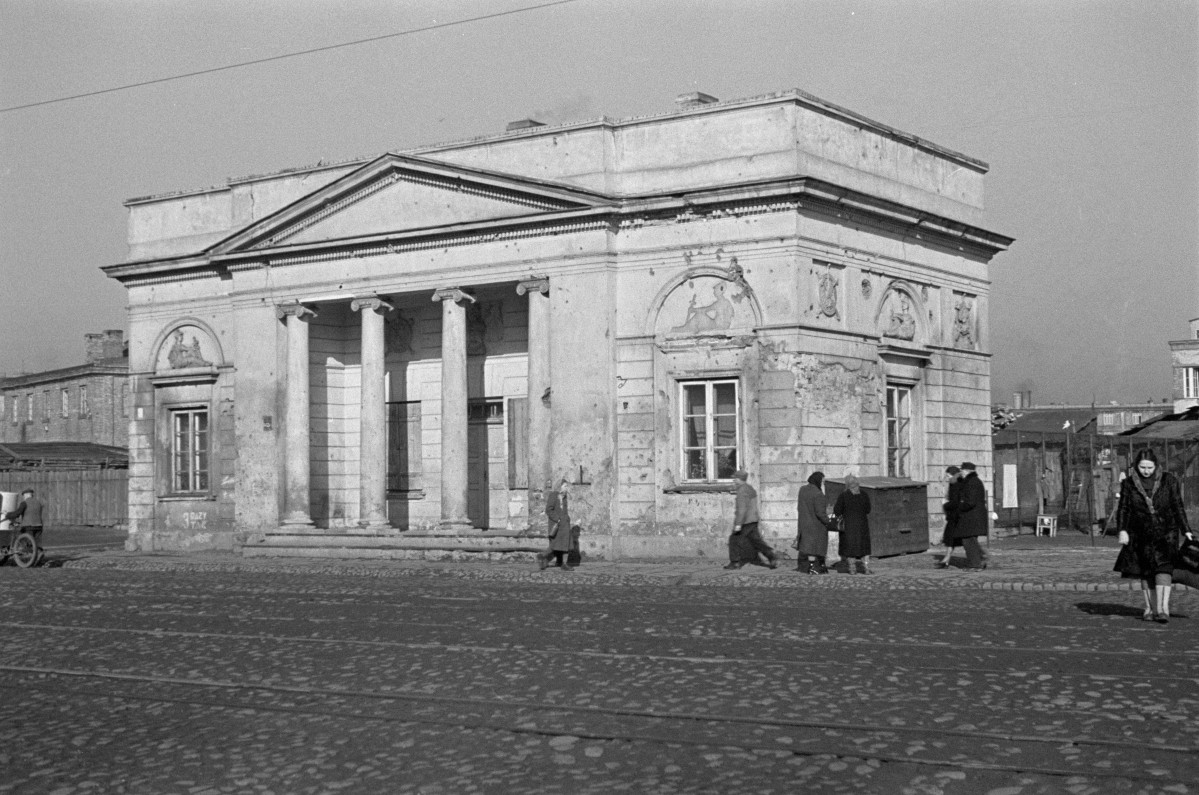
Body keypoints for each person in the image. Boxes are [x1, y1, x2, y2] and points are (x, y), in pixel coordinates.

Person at [1113, 449, 1194, 623]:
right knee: (1146, 571)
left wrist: (1186, 529)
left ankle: (1163, 610)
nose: (1146, 471)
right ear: (1136, 466)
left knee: (1164, 569)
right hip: (1140, 533)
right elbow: (1124, 508)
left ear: (1156, 466)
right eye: (1142, 467)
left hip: (1166, 533)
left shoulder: (1169, 480)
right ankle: (1150, 608)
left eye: (1149, 467)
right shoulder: (1128, 484)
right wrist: (1122, 530)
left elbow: (1177, 505)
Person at [725, 470, 777, 570]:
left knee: (734, 540)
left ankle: (735, 562)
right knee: (756, 541)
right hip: (753, 519)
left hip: (745, 521)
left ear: (740, 479)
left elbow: (742, 509)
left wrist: (738, 524)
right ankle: (771, 555)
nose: (734, 480)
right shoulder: (750, 488)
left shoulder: (741, 491)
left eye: (735, 478)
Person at [796, 471, 837, 574]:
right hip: (816, 525)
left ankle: (813, 567)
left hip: (804, 522)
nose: (823, 484)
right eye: (822, 481)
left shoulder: (802, 490)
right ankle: (814, 567)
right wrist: (828, 521)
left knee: (809, 546)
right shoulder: (818, 494)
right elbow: (820, 513)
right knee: (816, 547)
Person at [833, 474, 872, 574]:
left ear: (847, 484)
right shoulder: (864, 494)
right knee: (864, 548)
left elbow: (837, 511)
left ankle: (852, 569)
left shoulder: (844, 495)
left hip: (849, 526)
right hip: (862, 525)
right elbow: (868, 509)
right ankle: (866, 568)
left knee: (850, 548)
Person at [955, 462, 989, 570]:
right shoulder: (972, 481)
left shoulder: (972, 482)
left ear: (967, 471)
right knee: (971, 541)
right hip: (973, 516)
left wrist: (959, 507)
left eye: (962, 470)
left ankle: (975, 564)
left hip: (971, 517)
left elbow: (970, 502)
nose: (961, 472)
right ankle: (980, 559)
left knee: (969, 541)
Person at [537, 477, 574, 571]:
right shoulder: (553, 495)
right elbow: (549, 510)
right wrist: (558, 519)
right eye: (565, 486)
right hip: (557, 525)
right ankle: (543, 557)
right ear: (559, 486)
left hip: (565, 525)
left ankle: (563, 563)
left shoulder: (564, 496)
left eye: (566, 486)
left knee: (565, 544)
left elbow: (564, 511)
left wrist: (567, 518)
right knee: (555, 545)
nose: (566, 488)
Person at [936, 466, 962, 568]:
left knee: (966, 539)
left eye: (948, 475)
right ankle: (946, 559)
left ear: (953, 475)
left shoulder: (957, 485)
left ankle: (981, 557)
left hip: (957, 517)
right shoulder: (953, 483)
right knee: (950, 538)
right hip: (953, 516)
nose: (946, 477)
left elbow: (955, 501)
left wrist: (946, 504)